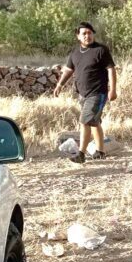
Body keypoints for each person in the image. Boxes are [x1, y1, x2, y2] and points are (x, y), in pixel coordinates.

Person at [54, 22, 117, 163]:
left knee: (84, 121)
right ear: (78, 36)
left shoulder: (101, 50)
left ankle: (81, 153)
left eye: (90, 33)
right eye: (84, 33)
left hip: (98, 93)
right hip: (82, 94)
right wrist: (60, 84)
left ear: (93, 34)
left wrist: (112, 90)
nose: (87, 36)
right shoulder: (75, 53)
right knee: (94, 122)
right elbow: (69, 70)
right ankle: (100, 151)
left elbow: (111, 70)